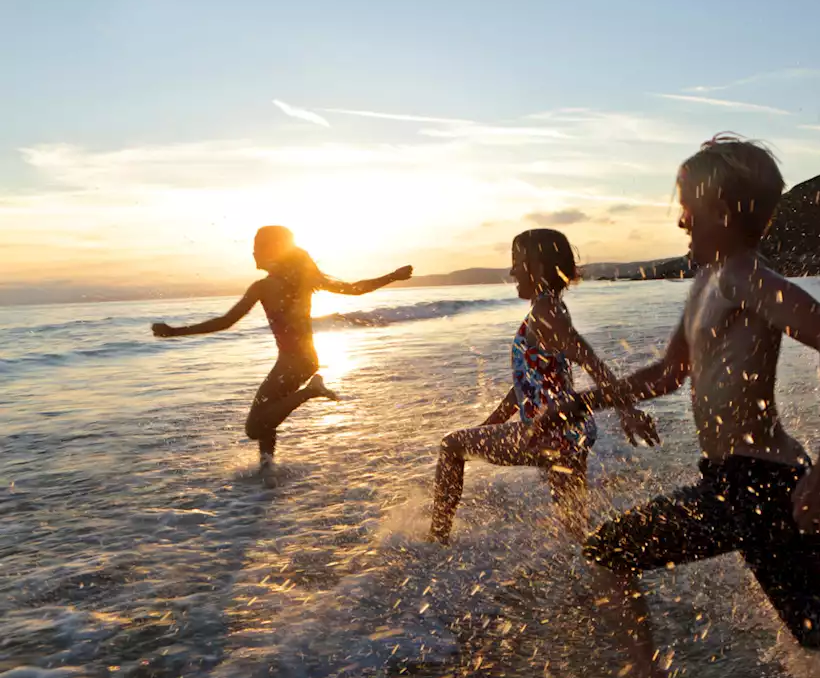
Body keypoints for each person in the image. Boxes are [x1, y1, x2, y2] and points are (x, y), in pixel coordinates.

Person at [527, 135, 820, 678]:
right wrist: (580, 402)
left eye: (688, 207)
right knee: (611, 551)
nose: (681, 223)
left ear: (722, 211)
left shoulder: (744, 277)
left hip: (764, 484)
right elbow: (669, 372)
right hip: (730, 483)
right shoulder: (706, 283)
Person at [426, 228, 659, 544]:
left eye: (516, 262)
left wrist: (627, 410)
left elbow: (591, 361)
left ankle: (436, 541)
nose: (511, 271)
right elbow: (524, 384)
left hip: (548, 431)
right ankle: (602, 571)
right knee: (574, 528)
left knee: (451, 446)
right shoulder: (551, 307)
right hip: (570, 431)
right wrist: (490, 425)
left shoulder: (544, 312)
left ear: (535, 266)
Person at [151, 226, 412, 486]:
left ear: (270, 250)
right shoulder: (304, 278)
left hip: (294, 363)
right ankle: (267, 466)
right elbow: (354, 289)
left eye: (257, 246)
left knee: (254, 427)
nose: (253, 252)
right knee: (267, 410)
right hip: (301, 360)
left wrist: (175, 332)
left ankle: (312, 391)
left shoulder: (263, 287)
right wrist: (393, 276)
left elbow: (225, 322)